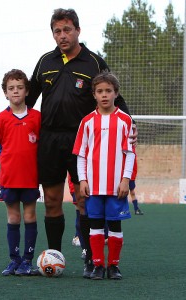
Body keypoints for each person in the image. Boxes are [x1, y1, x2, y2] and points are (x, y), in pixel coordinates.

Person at [0, 8, 137, 272]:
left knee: (83, 200)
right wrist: (6, 125)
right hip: (50, 141)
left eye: (67, 29)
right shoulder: (45, 61)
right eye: (58, 31)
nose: (63, 35)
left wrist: (130, 124)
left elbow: (115, 97)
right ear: (53, 34)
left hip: (83, 143)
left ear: (78, 30)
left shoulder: (94, 62)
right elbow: (27, 101)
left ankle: (91, 258)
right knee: (53, 200)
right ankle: (55, 255)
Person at [73, 71, 135, 280]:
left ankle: (114, 266)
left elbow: (130, 153)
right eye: (100, 91)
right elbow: (81, 155)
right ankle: (98, 264)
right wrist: (82, 179)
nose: (104, 95)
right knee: (95, 225)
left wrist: (126, 179)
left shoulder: (125, 121)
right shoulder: (87, 122)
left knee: (115, 226)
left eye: (108, 91)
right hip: (94, 186)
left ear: (116, 93)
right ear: (94, 95)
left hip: (116, 186)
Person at [0, 69, 41, 276]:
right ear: (5, 93)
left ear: (27, 91)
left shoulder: (38, 117)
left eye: (20, 87)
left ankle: (27, 261)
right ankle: (14, 260)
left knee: (29, 216)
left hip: (30, 177)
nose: (16, 91)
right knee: (13, 218)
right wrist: (6, 162)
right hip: (10, 177)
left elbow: (41, 144)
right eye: (11, 88)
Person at [68, 174, 86, 260]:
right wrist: (73, 190)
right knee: (80, 213)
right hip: (77, 184)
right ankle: (84, 247)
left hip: (96, 184)